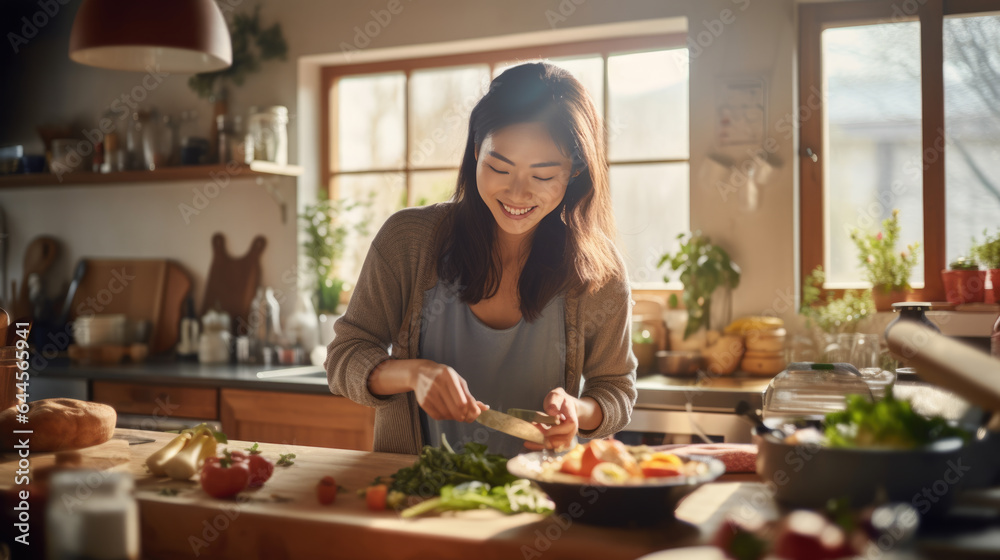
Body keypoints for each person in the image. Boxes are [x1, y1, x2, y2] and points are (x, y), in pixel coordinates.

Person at [326, 62, 637, 457]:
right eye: (498, 167)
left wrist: (578, 412)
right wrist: (413, 373)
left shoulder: (598, 271)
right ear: (476, 150)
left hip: (538, 501)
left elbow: (616, 389)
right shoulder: (408, 241)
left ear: (575, 172)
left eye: (542, 176)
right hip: (415, 495)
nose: (517, 193)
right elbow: (344, 356)